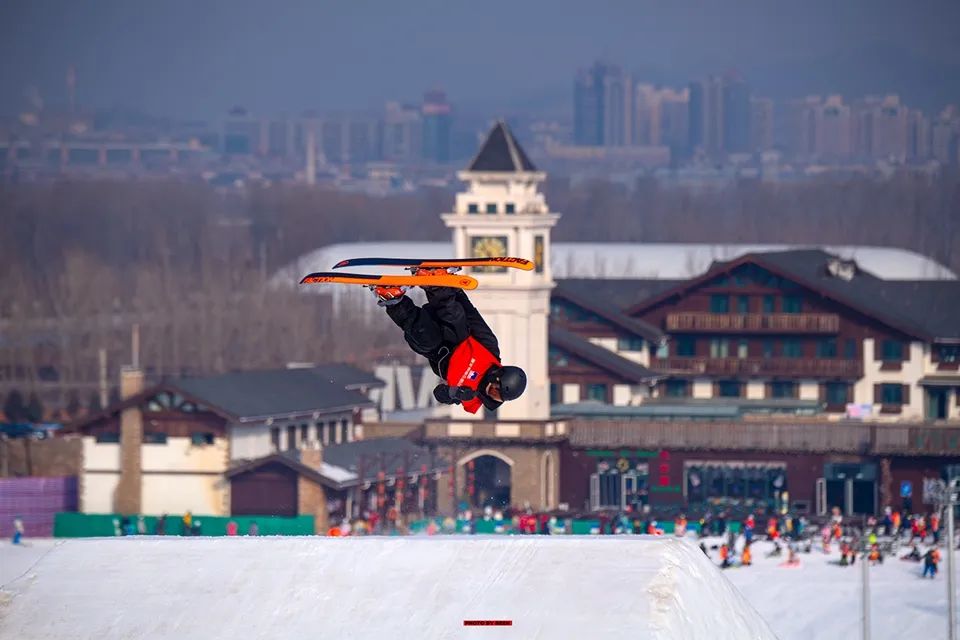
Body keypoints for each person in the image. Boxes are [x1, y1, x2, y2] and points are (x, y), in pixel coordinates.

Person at [374, 283, 527, 413]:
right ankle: (437, 286)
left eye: (497, 398)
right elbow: (473, 317)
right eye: (496, 391)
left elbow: (439, 394)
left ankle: (393, 299)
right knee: (455, 320)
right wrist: (456, 291)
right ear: (497, 378)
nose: (492, 395)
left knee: (425, 337)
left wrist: (454, 394)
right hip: (450, 322)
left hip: (436, 347)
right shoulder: (490, 350)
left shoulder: (470, 396)